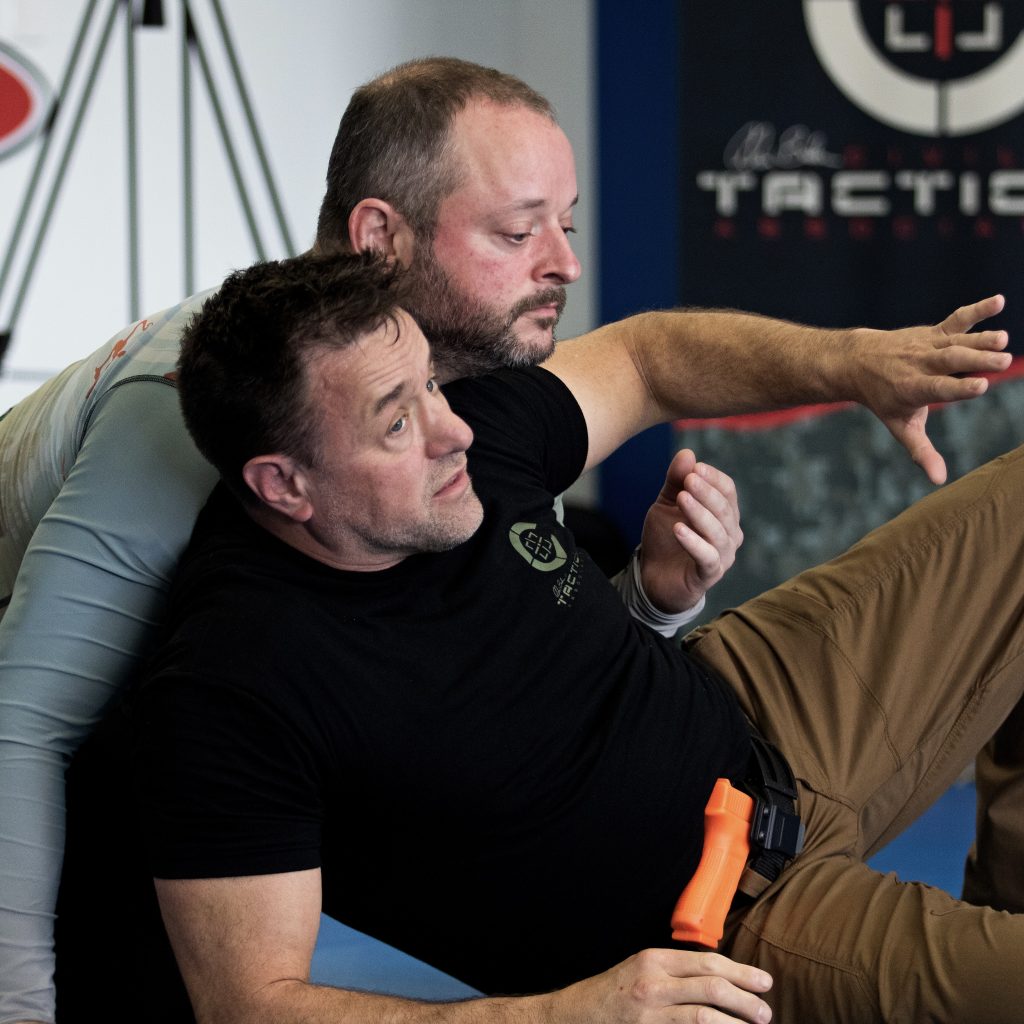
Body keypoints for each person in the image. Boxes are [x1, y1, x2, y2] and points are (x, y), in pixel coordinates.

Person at [0, 56, 1012, 1024]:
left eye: (431, 390)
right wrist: (570, 1013)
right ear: (282, 484)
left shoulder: (441, 398)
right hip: (730, 925)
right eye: (399, 420)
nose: (453, 431)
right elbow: (246, 998)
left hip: (764, 712)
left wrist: (664, 585)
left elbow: (644, 361)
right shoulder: (228, 671)